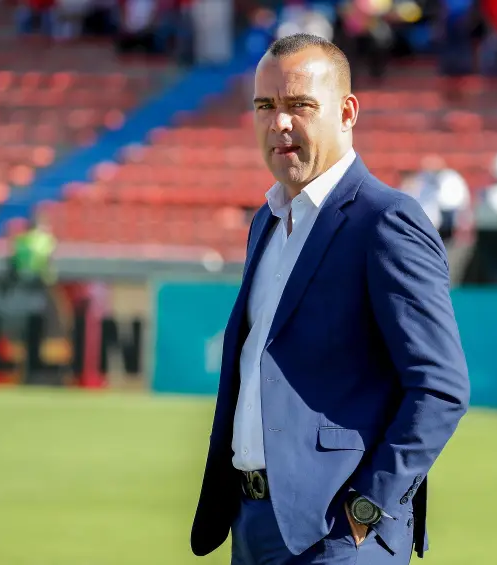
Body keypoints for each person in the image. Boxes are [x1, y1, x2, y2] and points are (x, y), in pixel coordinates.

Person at [190, 33, 470, 565]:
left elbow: (441, 388)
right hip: (251, 526)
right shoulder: (267, 221)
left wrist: (368, 509)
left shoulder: (387, 220)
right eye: (265, 106)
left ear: (346, 112)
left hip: (336, 538)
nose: (280, 123)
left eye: (299, 105)